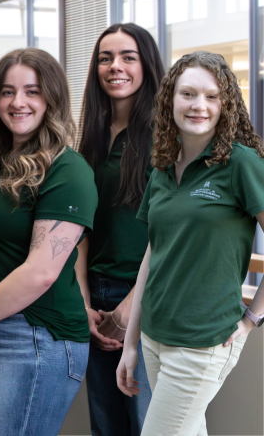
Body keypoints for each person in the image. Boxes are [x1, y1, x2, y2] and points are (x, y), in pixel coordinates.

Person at [0, 48, 97, 436]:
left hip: (30, 335)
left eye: (32, 91)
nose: (18, 102)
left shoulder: (67, 169)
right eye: (7, 92)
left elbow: (41, 272)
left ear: (52, 99)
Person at [117, 51, 264, 435]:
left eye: (212, 97)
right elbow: (153, 254)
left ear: (225, 105)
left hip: (202, 342)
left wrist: (252, 319)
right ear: (170, 101)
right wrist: (130, 342)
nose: (199, 105)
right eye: (188, 94)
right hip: (154, 336)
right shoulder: (163, 166)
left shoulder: (241, 164)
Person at [75, 23, 163, 435]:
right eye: (106, 58)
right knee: (106, 424)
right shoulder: (90, 137)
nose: (116, 67)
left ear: (146, 64)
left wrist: (133, 304)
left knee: (146, 422)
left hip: (148, 298)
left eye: (128, 57)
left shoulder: (166, 137)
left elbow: (168, 230)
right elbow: (80, 228)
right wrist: (82, 301)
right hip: (95, 296)